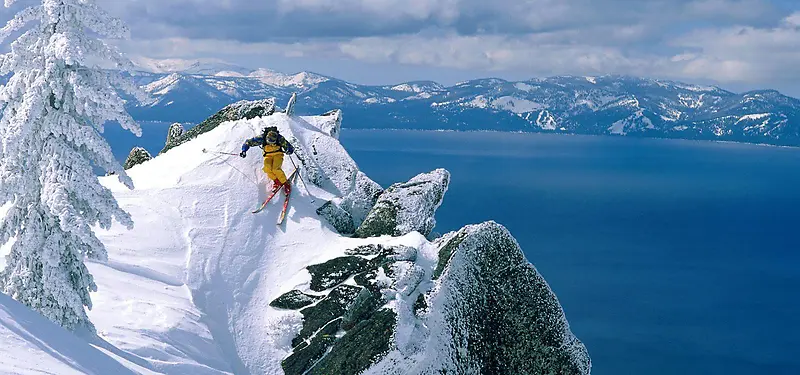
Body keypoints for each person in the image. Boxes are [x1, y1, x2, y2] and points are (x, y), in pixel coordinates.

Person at [240, 126, 295, 193]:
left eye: (272, 142)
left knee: (275, 169)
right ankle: (276, 181)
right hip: (268, 155)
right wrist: (244, 150)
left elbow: (289, 146)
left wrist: (289, 150)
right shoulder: (261, 138)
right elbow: (249, 142)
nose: (270, 143)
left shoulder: (280, 138)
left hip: (278, 154)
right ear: (267, 138)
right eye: (269, 141)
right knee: (267, 169)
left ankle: (286, 183)